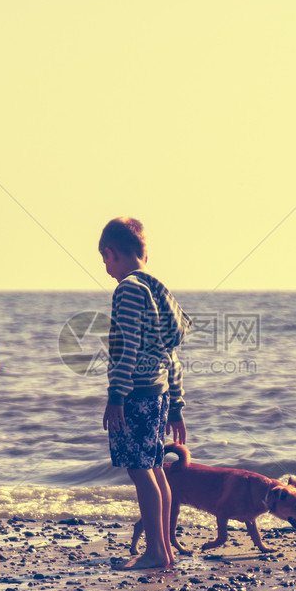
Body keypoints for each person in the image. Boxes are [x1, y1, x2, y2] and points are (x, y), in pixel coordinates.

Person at [99, 217, 190, 570]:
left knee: (141, 470)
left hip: (136, 394)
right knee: (154, 469)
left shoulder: (128, 290)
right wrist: (176, 404)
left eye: (105, 261)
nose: (107, 269)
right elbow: (171, 355)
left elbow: (128, 348)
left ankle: (155, 552)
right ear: (144, 253)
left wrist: (116, 395)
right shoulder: (158, 291)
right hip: (158, 393)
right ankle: (163, 550)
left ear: (111, 253)